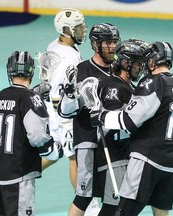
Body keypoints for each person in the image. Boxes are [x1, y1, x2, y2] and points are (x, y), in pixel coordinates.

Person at [91, 41, 173, 216]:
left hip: (146, 159)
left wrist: (101, 117)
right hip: (170, 163)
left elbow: (129, 121)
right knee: (160, 213)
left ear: (152, 62)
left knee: (123, 212)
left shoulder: (152, 83)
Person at [0, 51, 63, 216]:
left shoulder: (2, 95)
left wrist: (35, 95)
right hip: (18, 174)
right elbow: (38, 137)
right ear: (31, 71)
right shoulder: (31, 98)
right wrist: (55, 149)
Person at [58, 23, 121, 216]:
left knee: (114, 198)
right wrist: (71, 95)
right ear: (95, 44)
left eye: (114, 42)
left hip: (113, 143)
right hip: (88, 140)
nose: (113, 47)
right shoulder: (82, 69)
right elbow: (65, 111)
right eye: (108, 43)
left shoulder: (118, 69)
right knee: (84, 197)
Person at [41, 7, 87, 207]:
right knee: (75, 157)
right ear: (67, 30)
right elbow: (58, 91)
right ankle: (87, 203)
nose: (83, 30)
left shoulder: (55, 45)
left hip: (52, 110)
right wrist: (66, 117)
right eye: (79, 27)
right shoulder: (68, 56)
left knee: (56, 153)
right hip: (61, 113)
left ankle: (21, 175)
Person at [96, 39, 147, 216]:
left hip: (125, 154)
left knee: (124, 206)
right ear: (125, 62)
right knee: (113, 207)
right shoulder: (115, 87)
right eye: (138, 63)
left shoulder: (127, 86)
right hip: (113, 154)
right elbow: (109, 123)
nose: (140, 68)